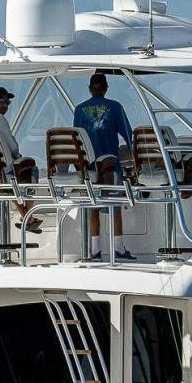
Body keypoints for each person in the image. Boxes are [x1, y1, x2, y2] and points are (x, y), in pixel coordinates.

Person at [73, 72, 135, 261]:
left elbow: (77, 139)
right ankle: (119, 249)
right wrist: (136, 160)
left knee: (93, 205)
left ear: (90, 89)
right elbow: (128, 135)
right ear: (106, 88)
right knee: (115, 205)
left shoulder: (79, 109)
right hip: (110, 165)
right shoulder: (115, 107)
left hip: (89, 167)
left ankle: (95, 251)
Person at [0, 86, 41, 232]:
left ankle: (26, 216)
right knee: (32, 169)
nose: (5, 105)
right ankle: (27, 215)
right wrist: (18, 156)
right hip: (4, 173)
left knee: (8, 181)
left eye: (8, 102)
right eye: (2, 101)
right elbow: (13, 147)